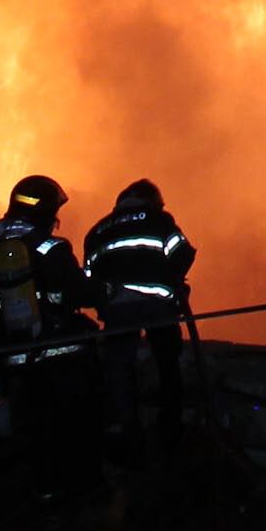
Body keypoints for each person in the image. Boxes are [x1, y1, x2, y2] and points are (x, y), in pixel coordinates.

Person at [0, 174, 101, 502]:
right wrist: (104, 290)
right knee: (73, 430)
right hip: (61, 360)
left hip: (14, 361)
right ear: (48, 213)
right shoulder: (51, 248)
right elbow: (77, 293)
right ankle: (78, 495)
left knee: (32, 433)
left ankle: (42, 498)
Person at [81, 177, 198, 445]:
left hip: (117, 310)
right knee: (168, 363)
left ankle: (127, 430)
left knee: (120, 368)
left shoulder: (97, 230)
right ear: (153, 200)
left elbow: (88, 280)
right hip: (157, 306)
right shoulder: (159, 218)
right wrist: (173, 280)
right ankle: (170, 427)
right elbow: (183, 254)